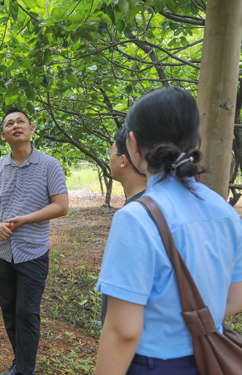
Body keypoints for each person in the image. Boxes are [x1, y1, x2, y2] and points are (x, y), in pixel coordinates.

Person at [95, 87, 242, 375]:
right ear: (194, 139)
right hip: (208, 360)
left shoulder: (137, 218)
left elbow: (123, 332)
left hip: (153, 366)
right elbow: (235, 299)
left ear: (133, 143)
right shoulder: (225, 211)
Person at [0, 108, 69, 375]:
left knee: (27, 313)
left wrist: (26, 219)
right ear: (3, 135)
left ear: (32, 130)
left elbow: (61, 205)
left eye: (21, 122)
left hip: (32, 252)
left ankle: (24, 371)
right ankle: (19, 363)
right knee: (9, 310)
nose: (16, 126)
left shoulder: (49, 165)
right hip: (2, 251)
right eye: (10, 124)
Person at [100, 126, 147, 325]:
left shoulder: (132, 216)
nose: (109, 158)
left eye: (111, 153)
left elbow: (121, 305)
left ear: (123, 160)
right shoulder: (161, 202)